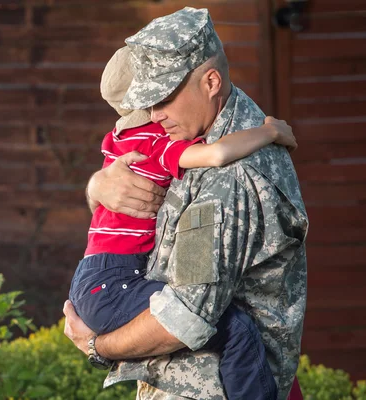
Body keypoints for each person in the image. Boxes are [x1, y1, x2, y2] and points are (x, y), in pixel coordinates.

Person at [63, 7, 308, 400]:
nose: (154, 115)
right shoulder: (205, 127)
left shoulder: (232, 178)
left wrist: (96, 346)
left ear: (210, 81)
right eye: (147, 102)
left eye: (164, 98)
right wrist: (98, 187)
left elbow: (184, 318)